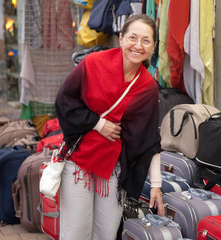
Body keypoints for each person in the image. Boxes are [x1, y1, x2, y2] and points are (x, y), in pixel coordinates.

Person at [55, 14, 164, 240]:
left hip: (113, 171)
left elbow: (149, 139)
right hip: (79, 164)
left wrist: (156, 185)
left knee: (106, 234)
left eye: (146, 41)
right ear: (121, 38)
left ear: (153, 47)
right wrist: (98, 123)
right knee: (76, 233)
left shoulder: (148, 87)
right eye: (132, 37)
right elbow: (64, 101)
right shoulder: (93, 64)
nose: (138, 45)